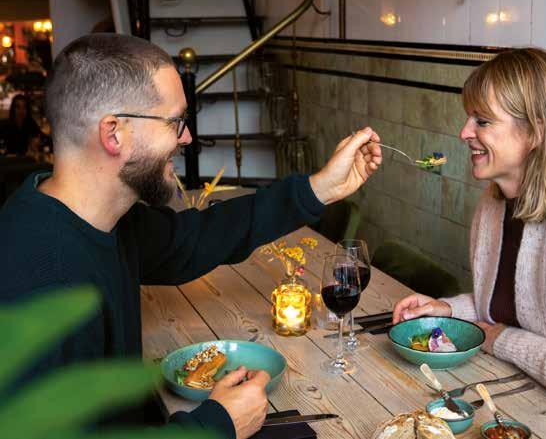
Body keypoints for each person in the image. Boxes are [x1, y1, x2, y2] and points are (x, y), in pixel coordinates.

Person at [0, 33, 383, 438]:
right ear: (114, 134)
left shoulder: (103, 219)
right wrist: (217, 425)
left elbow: (199, 237)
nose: (187, 138)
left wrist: (319, 188)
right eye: (175, 122)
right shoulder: (34, 276)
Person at [392, 48, 546, 423]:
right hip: (525, 402)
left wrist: (499, 340)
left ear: (536, 132)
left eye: (482, 121)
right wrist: (450, 310)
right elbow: (516, 311)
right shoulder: (494, 202)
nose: (465, 132)